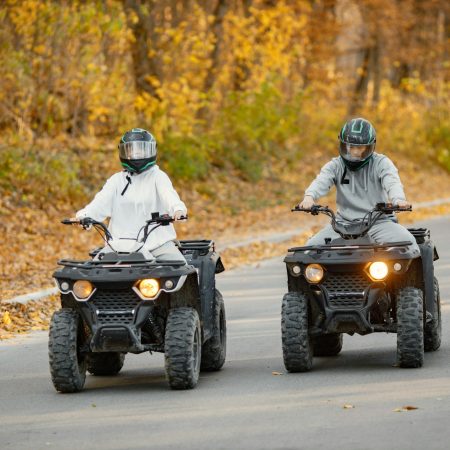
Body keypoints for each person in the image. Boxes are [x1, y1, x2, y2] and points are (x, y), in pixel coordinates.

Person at [298, 117, 419, 254]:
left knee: (409, 245)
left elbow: (392, 181)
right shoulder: (336, 165)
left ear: (370, 147)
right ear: (343, 145)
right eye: (351, 147)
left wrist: (398, 200)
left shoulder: (381, 163)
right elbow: (321, 180)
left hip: (378, 223)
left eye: (360, 147)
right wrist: (309, 197)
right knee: (308, 251)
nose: (355, 152)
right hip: (342, 226)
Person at [74, 128, 187, 262]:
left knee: (180, 268)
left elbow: (169, 195)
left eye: (142, 149)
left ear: (152, 150)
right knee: (94, 272)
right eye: (132, 150)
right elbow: (99, 203)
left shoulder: (158, 177)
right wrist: (84, 216)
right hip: (118, 246)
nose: (136, 155)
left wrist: (178, 210)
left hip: (156, 244)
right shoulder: (116, 180)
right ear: (123, 152)